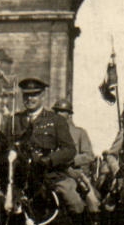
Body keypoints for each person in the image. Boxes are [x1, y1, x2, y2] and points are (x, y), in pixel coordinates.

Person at [8, 77, 82, 217]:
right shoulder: (13, 121)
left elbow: (69, 150)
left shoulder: (56, 120)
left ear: (42, 96)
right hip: (20, 178)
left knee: (74, 201)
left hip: (50, 175)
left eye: (34, 95)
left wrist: (48, 160)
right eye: (26, 95)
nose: (29, 99)